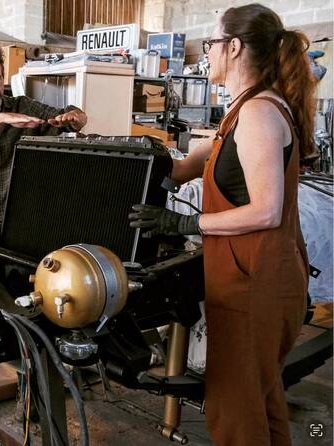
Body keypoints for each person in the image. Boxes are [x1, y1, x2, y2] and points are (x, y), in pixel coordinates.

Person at [128, 4, 317, 445]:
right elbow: (187, 166)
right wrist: (131, 158)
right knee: (261, 404)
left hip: (257, 286)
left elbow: (266, 211)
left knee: (234, 412)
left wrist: (185, 222)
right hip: (245, 280)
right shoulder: (238, 112)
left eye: (211, 44)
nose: (206, 53)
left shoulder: (259, 115)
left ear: (233, 47)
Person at [0, 40, 87, 233]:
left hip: (18, 217)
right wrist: (2, 117)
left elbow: (70, 114)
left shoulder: (23, 106)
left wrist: (75, 118)